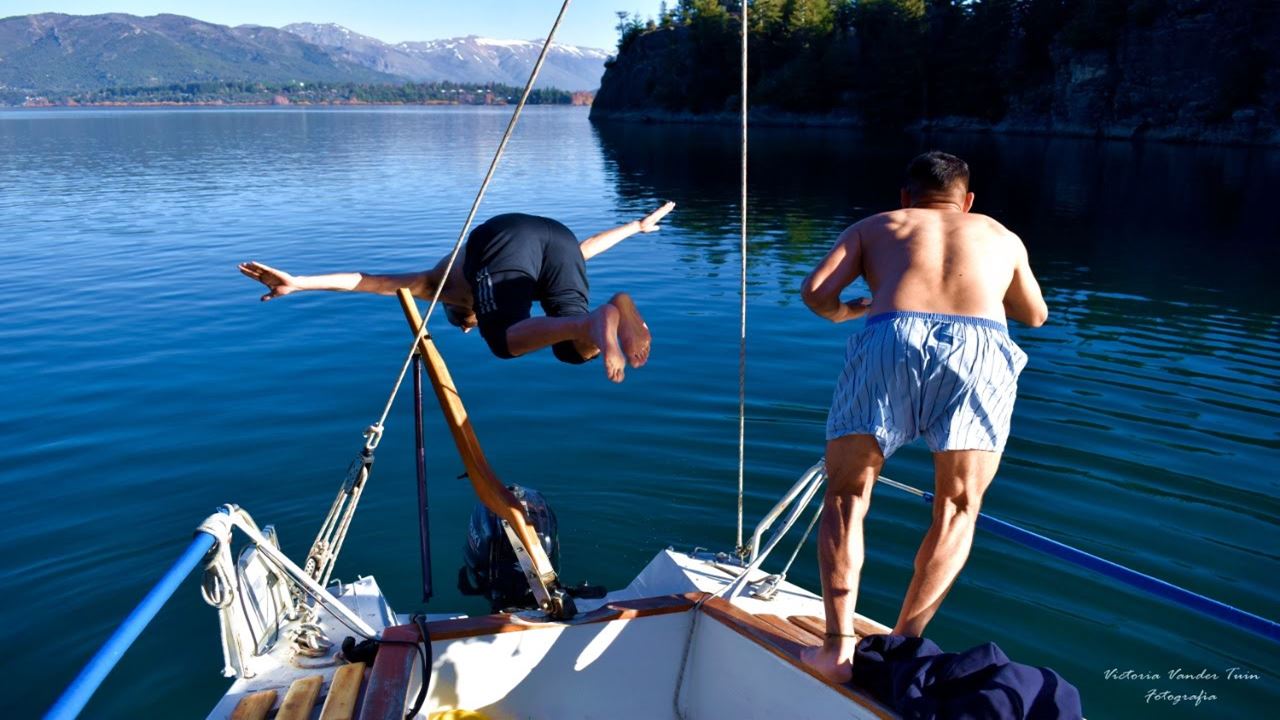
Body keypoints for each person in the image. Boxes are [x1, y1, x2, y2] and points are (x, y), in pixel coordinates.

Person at [798, 151, 1047, 684]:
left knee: (846, 496)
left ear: (906, 197)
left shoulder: (877, 225)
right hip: (982, 352)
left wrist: (848, 311)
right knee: (959, 507)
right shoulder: (1000, 235)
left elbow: (816, 293)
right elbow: (1035, 314)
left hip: (892, 336)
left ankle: (838, 652)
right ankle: (903, 647)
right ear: (968, 201)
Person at [239, 202, 675, 382]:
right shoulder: (511, 287)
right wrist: (636, 227)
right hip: (558, 236)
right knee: (575, 350)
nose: (470, 323)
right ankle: (608, 312)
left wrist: (299, 281)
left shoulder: (440, 284)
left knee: (505, 341)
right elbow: (584, 250)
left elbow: (366, 280)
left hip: (501, 235)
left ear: (458, 309)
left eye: (466, 319)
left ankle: (591, 319)